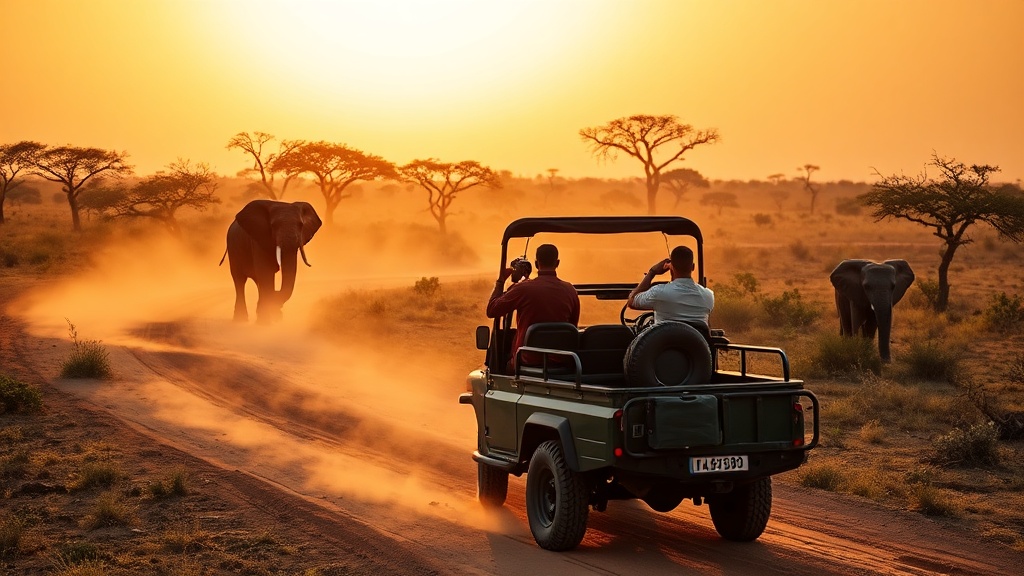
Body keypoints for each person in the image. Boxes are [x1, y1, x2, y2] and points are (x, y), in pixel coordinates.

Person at [486, 243, 580, 371]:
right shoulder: (570, 290)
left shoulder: (523, 288)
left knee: (503, 366)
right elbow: (573, 327)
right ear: (557, 263)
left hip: (526, 362)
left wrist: (501, 280)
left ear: (536, 264)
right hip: (562, 361)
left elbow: (492, 310)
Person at [628, 245, 714, 326]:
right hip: (696, 341)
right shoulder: (708, 296)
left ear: (671, 267)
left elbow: (632, 301)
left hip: (664, 341)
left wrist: (652, 272)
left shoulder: (659, 292)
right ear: (693, 267)